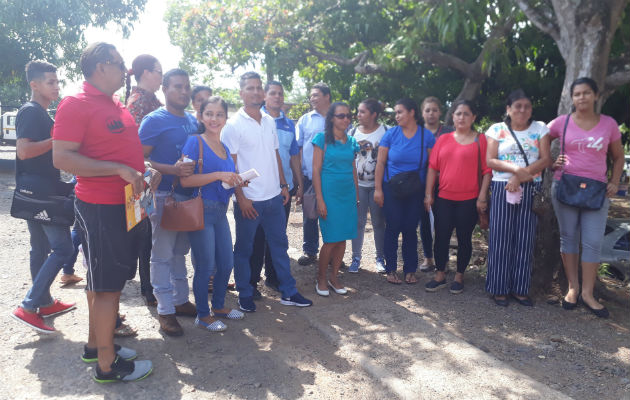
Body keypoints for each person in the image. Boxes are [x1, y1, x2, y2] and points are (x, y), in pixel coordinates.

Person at [53, 42, 154, 382]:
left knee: (101, 283)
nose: (126, 70)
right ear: (100, 66)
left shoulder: (113, 104)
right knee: (108, 287)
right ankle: (108, 367)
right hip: (100, 208)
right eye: (120, 63)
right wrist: (119, 169)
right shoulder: (75, 104)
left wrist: (139, 168)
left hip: (124, 205)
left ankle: (97, 346)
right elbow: (62, 158)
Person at [222, 71, 312, 312]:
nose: (255, 91)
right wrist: (240, 198)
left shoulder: (270, 121)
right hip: (250, 201)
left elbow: (275, 156)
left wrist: (284, 186)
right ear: (241, 94)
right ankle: (244, 292)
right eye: (250, 88)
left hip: (274, 197)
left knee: (279, 246)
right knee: (244, 249)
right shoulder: (232, 125)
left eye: (258, 87)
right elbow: (230, 165)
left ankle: (288, 291)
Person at [547, 77, 624, 318]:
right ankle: (572, 288)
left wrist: (614, 181)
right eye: (577, 94)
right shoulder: (562, 122)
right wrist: (549, 162)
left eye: (586, 93)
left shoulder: (609, 124)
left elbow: (619, 157)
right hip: (565, 186)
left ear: (596, 96)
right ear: (572, 98)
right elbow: (541, 138)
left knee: (592, 241)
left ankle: (588, 294)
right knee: (568, 238)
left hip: (596, 191)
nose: (582, 97)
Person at [11, 60, 76, 334]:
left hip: (37, 192)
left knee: (40, 249)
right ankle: (29, 306)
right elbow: (24, 151)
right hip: (42, 194)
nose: (56, 86)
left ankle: (44, 302)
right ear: (34, 85)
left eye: (57, 81)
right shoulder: (31, 112)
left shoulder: (42, 113)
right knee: (63, 249)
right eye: (50, 82)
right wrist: (57, 139)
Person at [139, 69, 198, 336]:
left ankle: (180, 300)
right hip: (162, 195)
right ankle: (165, 310)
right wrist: (172, 170)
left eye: (186, 87)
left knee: (179, 252)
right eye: (177, 86)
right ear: (164, 89)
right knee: (161, 254)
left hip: (186, 198)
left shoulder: (193, 120)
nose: (184, 91)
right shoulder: (154, 120)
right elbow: (139, 161)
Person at [180, 96, 245, 332]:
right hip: (201, 211)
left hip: (220, 211)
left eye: (219, 114)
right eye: (209, 113)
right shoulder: (194, 142)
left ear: (226, 118)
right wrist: (218, 175)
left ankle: (219, 307)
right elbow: (185, 180)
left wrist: (237, 180)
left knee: (226, 263)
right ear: (201, 116)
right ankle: (203, 315)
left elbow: (225, 177)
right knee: (206, 266)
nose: (214, 119)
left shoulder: (225, 147)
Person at [485, 89, 551, 307]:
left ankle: (520, 288)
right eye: (518, 106)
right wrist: (515, 171)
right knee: (500, 238)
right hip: (503, 186)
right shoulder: (497, 129)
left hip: (531, 187)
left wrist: (520, 177)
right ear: (508, 109)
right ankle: (498, 288)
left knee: (525, 238)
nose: (523, 110)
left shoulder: (540, 128)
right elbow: (491, 160)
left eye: (527, 106)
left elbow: (545, 159)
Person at [424, 100, 491, 294]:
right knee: (441, 237)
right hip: (444, 197)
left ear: (473, 117)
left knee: (464, 238)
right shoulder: (443, 139)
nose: (461, 117)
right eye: (458, 113)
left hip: (469, 199)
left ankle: (460, 276)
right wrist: (428, 194)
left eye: (466, 114)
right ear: (452, 117)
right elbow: (432, 168)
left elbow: (487, 171)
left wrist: (482, 197)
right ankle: (440, 274)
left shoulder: (481, 140)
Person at [249, 81, 303, 298]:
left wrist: (298, 183)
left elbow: (293, 156)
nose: (278, 97)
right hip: (259, 189)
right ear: (264, 96)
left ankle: (273, 278)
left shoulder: (289, 124)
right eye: (273, 93)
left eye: (281, 93)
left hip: (283, 190)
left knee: (277, 235)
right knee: (256, 237)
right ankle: (251, 281)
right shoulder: (255, 120)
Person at [374, 99, 435, 284]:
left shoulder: (426, 137)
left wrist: (428, 194)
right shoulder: (391, 134)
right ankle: (390, 269)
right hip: (391, 188)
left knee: (410, 228)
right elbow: (381, 162)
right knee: (393, 226)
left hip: (416, 189)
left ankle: (410, 270)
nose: (397, 116)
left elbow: (433, 166)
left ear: (412, 112)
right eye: (396, 113)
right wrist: (378, 189)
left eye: (400, 112)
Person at [125, 54, 163, 307]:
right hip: (141, 180)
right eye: (159, 71)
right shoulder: (139, 102)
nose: (161, 76)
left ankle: (149, 286)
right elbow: (133, 148)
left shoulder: (150, 100)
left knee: (147, 235)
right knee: (144, 235)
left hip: (149, 178)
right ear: (147, 73)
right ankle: (148, 289)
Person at [313, 102, 359, 296]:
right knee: (331, 239)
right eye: (341, 116)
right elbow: (316, 170)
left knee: (343, 239)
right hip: (329, 194)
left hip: (347, 195)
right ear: (332, 118)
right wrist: (320, 200)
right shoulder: (321, 139)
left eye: (348, 116)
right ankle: (321, 278)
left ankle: (334, 277)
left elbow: (353, 168)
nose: (346, 119)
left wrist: (356, 195)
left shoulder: (351, 141)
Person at [348, 98, 387, 274]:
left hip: (378, 186)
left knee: (379, 222)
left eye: (362, 112)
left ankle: (380, 258)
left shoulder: (386, 131)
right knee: (358, 222)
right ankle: (356, 258)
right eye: (358, 111)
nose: (358, 115)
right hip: (358, 186)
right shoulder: (353, 132)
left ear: (374, 114)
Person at [296, 82, 332, 266]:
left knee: (332, 215)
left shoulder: (337, 118)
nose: (312, 98)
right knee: (310, 214)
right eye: (311, 95)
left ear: (327, 96)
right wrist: (300, 175)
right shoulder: (305, 120)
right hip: (310, 176)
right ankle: (310, 251)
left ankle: (333, 252)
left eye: (316, 95)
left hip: (332, 176)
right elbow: (299, 148)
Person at [418, 96, 454, 272]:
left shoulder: (449, 132)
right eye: (427, 110)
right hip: (421, 182)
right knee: (424, 222)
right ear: (422, 113)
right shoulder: (417, 132)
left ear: (440, 112)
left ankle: (444, 259)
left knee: (443, 222)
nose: (431, 113)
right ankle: (428, 258)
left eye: (434, 110)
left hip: (444, 183)